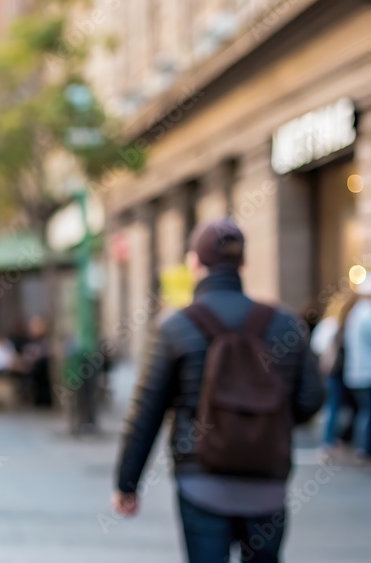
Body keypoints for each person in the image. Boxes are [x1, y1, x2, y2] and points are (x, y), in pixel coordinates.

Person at [113, 218, 323, 563]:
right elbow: (311, 398)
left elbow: (146, 412)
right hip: (267, 482)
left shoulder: (175, 327)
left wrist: (127, 484)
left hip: (201, 481)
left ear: (194, 262)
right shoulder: (286, 323)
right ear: (243, 263)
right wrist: (264, 424)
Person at [310, 291, 356, 457]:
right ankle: (329, 442)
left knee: (335, 407)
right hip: (334, 372)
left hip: (335, 371)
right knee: (333, 406)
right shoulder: (333, 325)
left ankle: (333, 440)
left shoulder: (332, 324)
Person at [342, 281, 371, 460]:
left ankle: (361, 446)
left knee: (363, 411)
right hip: (366, 371)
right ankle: (363, 448)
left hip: (355, 371)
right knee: (366, 412)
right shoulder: (366, 314)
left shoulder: (353, 314)